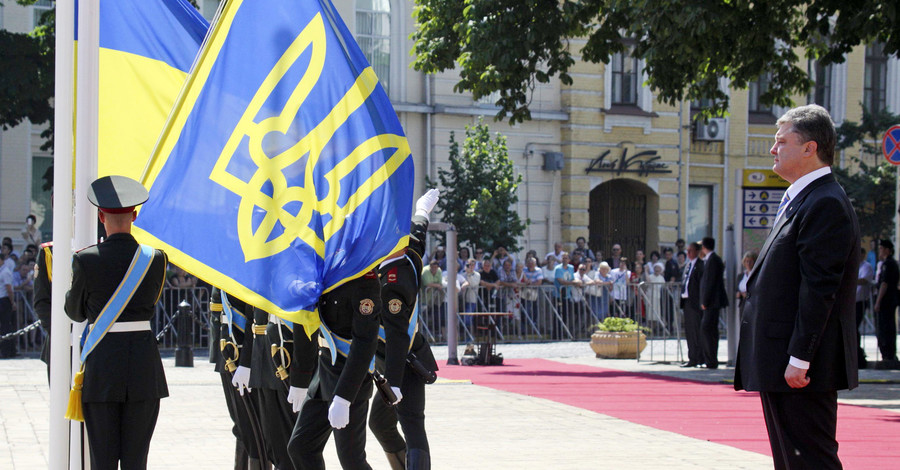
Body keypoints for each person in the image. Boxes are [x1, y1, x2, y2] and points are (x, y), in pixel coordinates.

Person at [735, 104, 860, 469]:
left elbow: (820, 289)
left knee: (811, 461)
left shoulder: (825, 203)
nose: (773, 149)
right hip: (785, 363)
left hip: (802, 368)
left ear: (810, 148)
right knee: (792, 461)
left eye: (781, 141)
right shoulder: (803, 198)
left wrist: (800, 358)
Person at [64, 175, 168, 470]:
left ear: (101, 216)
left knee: (103, 461)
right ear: (134, 215)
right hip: (143, 371)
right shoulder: (155, 259)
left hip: (102, 371)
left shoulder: (85, 259)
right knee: (137, 461)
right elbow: (152, 302)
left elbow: (75, 313)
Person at [369, 189, 441, 470]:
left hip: (405, 362)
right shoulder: (408, 252)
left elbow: (398, 336)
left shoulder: (395, 277)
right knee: (379, 422)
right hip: (388, 360)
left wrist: (394, 383)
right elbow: (419, 233)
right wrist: (422, 210)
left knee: (412, 426)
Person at [287, 272, 382, 468]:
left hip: (349, 379)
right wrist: (300, 378)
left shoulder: (364, 280)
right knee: (300, 446)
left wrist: (344, 397)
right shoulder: (321, 272)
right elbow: (305, 319)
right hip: (322, 378)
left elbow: (365, 343)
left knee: (351, 459)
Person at [210, 287, 266, 470]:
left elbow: (255, 315)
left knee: (253, 427)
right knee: (241, 424)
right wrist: (216, 354)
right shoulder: (223, 262)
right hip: (227, 352)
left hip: (245, 354)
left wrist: (248, 361)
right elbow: (217, 308)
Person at [698, 237, 727, 369]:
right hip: (712, 302)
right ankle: (710, 359)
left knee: (707, 329)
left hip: (712, 302)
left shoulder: (713, 260)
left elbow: (710, 283)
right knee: (710, 330)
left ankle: (710, 360)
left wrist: (705, 300)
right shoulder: (711, 259)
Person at [874, 239, 899, 363]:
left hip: (886, 301)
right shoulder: (891, 263)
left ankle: (888, 354)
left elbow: (884, 284)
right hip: (891, 300)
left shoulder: (888, 264)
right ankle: (889, 354)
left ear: (887, 250)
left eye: (881, 248)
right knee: (888, 327)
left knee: (885, 328)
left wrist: (878, 302)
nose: (880, 251)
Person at [680, 242, 704, 368]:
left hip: (695, 303)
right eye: (687, 251)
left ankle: (698, 358)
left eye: (691, 251)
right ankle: (692, 357)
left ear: (697, 251)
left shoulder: (700, 265)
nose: (688, 253)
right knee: (689, 331)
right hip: (687, 302)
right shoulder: (688, 265)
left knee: (696, 331)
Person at [33, 241, 53, 376]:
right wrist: (58, 334)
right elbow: (42, 301)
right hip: (59, 340)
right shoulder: (49, 252)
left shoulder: (99, 245)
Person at [855, 247, 874, 369]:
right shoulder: (853, 265)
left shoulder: (866, 266)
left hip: (860, 301)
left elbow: (863, 280)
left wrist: (849, 281)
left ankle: (858, 352)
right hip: (852, 302)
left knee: (855, 326)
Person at [0, 252, 16, 358]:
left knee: (6, 326)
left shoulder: (5, 272)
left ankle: (8, 351)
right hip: (2, 300)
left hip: (5, 301)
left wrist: (12, 302)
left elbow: (9, 289)